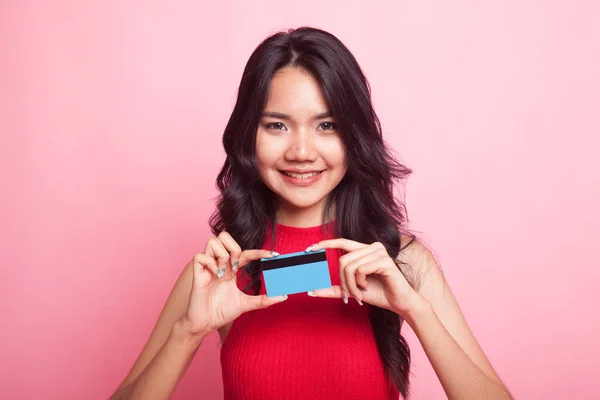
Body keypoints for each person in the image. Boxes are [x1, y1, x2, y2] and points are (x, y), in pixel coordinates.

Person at [111, 27, 512, 400]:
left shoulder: (401, 260)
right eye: (277, 126)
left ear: (353, 136)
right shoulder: (222, 272)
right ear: (248, 135)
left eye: (326, 125)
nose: (302, 152)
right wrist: (189, 332)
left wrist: (416, 311)